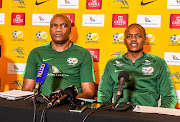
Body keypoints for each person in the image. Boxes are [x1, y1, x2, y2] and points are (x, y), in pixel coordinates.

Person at [97, 23, 177, 108]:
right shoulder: (112, 64)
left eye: (138, 36)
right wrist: (106, 114)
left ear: (145, 40)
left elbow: (169, 97)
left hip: (148, 114)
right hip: (120, 113)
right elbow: (103, 95)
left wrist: (158, 116)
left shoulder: (158, 63)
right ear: (124, 41)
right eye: (129, 36)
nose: (133, 39)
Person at [22, 14, 96, 98]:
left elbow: (89, 92)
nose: (58, 29)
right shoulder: (36, 53)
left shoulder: (83, 54)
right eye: (54, 26)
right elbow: (27, 89)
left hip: (70, 106)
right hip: (42, 105)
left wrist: (68, 101)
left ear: (70, 30)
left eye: (63, 26)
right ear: (49, 30)